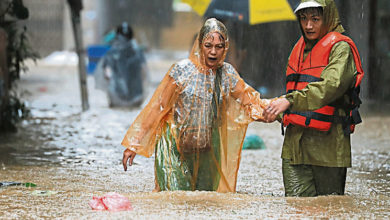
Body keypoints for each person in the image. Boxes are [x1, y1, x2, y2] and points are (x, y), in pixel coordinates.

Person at [121, 18, 270, 192]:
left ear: (225, 48)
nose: (213, 52)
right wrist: (134, 143)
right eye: (208, 45)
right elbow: (158, 108)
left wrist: (280, 111)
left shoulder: (227, 74)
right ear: (199, 45)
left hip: (207, 150)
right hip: (174, 149)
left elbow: (250, 101)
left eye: (219, 47)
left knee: (205, 202)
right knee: (174, 199)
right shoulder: (181, 71)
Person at [264, 0, 364, 197]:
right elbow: (295, 92)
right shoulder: (298, 49)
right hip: (295, 148)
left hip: (328, 149)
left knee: (328, 210)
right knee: (295, 208)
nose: (308, 25)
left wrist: (289, 101)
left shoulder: (341, 49)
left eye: (315, 19)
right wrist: (271, 108)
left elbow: (330, 86)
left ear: (327, 18)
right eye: (303, 19)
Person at [97, 22, 147, 107]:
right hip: (136, 99)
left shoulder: (112, 53)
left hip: (117, 100)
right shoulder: (137, 52)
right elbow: (144, 73)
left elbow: (106, 74)